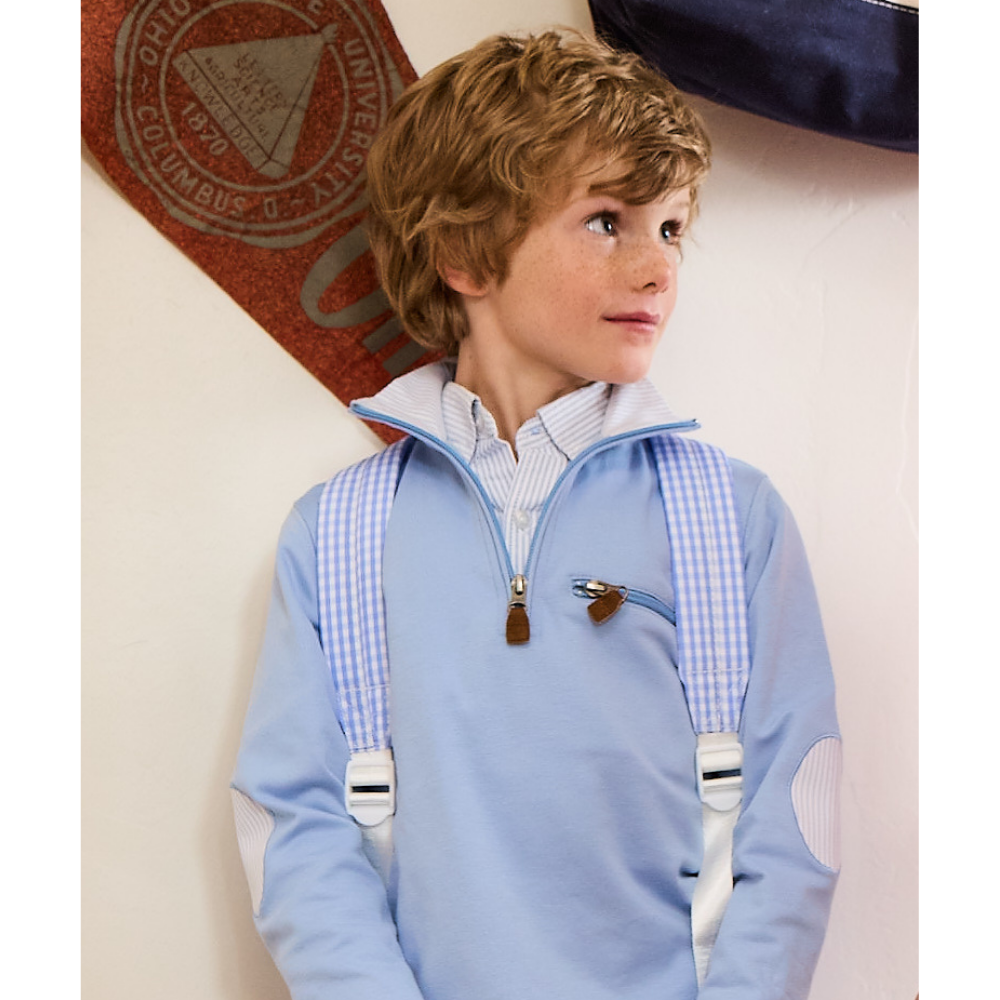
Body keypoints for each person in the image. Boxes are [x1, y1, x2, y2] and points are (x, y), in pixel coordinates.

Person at [231, 29, 841, 1000]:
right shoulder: (340, 534)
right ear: (464, 255)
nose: (657, 269)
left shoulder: (731, 516)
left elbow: (795, 821)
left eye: (670, 228)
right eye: (606, 221)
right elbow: (295, 823)